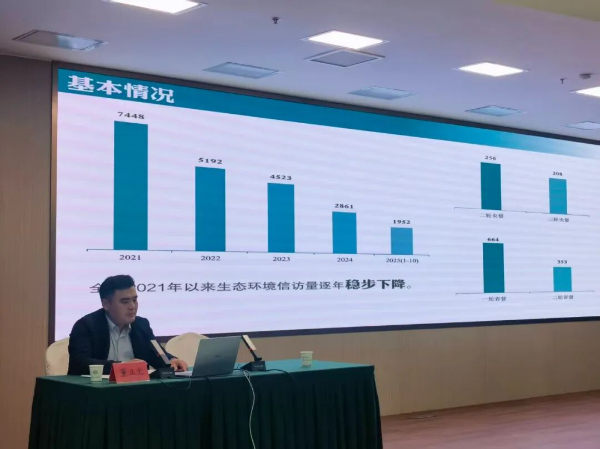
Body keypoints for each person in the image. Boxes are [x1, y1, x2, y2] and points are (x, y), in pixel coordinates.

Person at [67, 274, 188, 375]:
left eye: (134, 300)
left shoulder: (141, 324)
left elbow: (157, 353)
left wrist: (171, 360)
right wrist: (123, 366)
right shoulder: (86, 326)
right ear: (106, 304)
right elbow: (80, 363)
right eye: (125, 302)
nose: (132, 306)